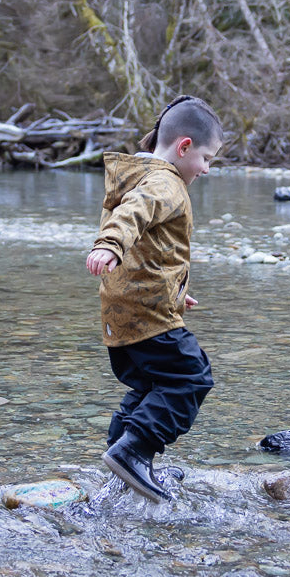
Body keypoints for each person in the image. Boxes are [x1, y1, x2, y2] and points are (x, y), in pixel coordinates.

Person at [84, 95, 225, 502]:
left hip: (123, 309)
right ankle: (134, 451)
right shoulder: (166, 183)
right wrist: (109, 244)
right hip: (146, 313)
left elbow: (152, 249)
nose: (206, 168)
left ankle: (118, 462)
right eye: (206, 158)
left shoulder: (144, 174)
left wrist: (177, 291)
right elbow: (133, 214)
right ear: (184, 147)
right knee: (190, 376)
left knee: (150, 384)